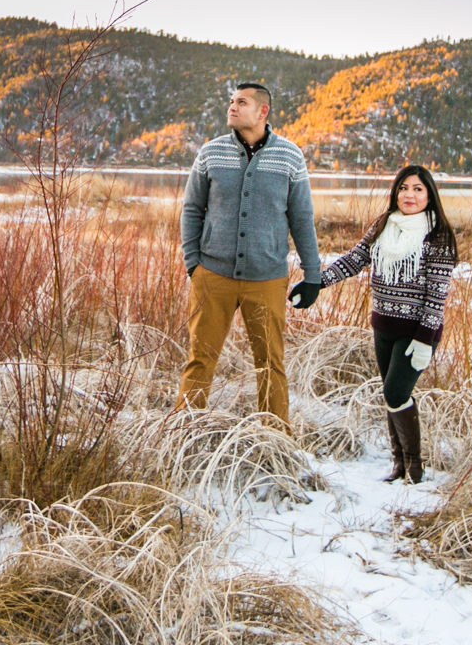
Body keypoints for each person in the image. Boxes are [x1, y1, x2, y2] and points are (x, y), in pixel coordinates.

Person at [290, 165, 456, 483]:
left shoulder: (438, 236)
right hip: (384, 327)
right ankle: (399, 464)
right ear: (396, 193)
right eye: (403, 188)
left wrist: (425, 339)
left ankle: (415, 466)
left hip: (417, 332)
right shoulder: (383, 225)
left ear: (430, 195)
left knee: (395, 393)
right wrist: (316, 283)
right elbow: (354, 260)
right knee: (392, 394)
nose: (409, 195)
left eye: (417, 189)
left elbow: (437, 296)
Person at [178, 82, 322, 423]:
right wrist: (193, 264)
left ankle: (274, 436)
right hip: (212, 276)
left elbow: (301, 218)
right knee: (201, 357)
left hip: (267, 278)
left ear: (262, 111)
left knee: (271, 362)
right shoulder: (211, 152)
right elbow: (192, 209)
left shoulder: (290, 156)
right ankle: (183, 428)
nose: (232, 107)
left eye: (241, 102)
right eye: (231, 101)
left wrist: (313, 274)